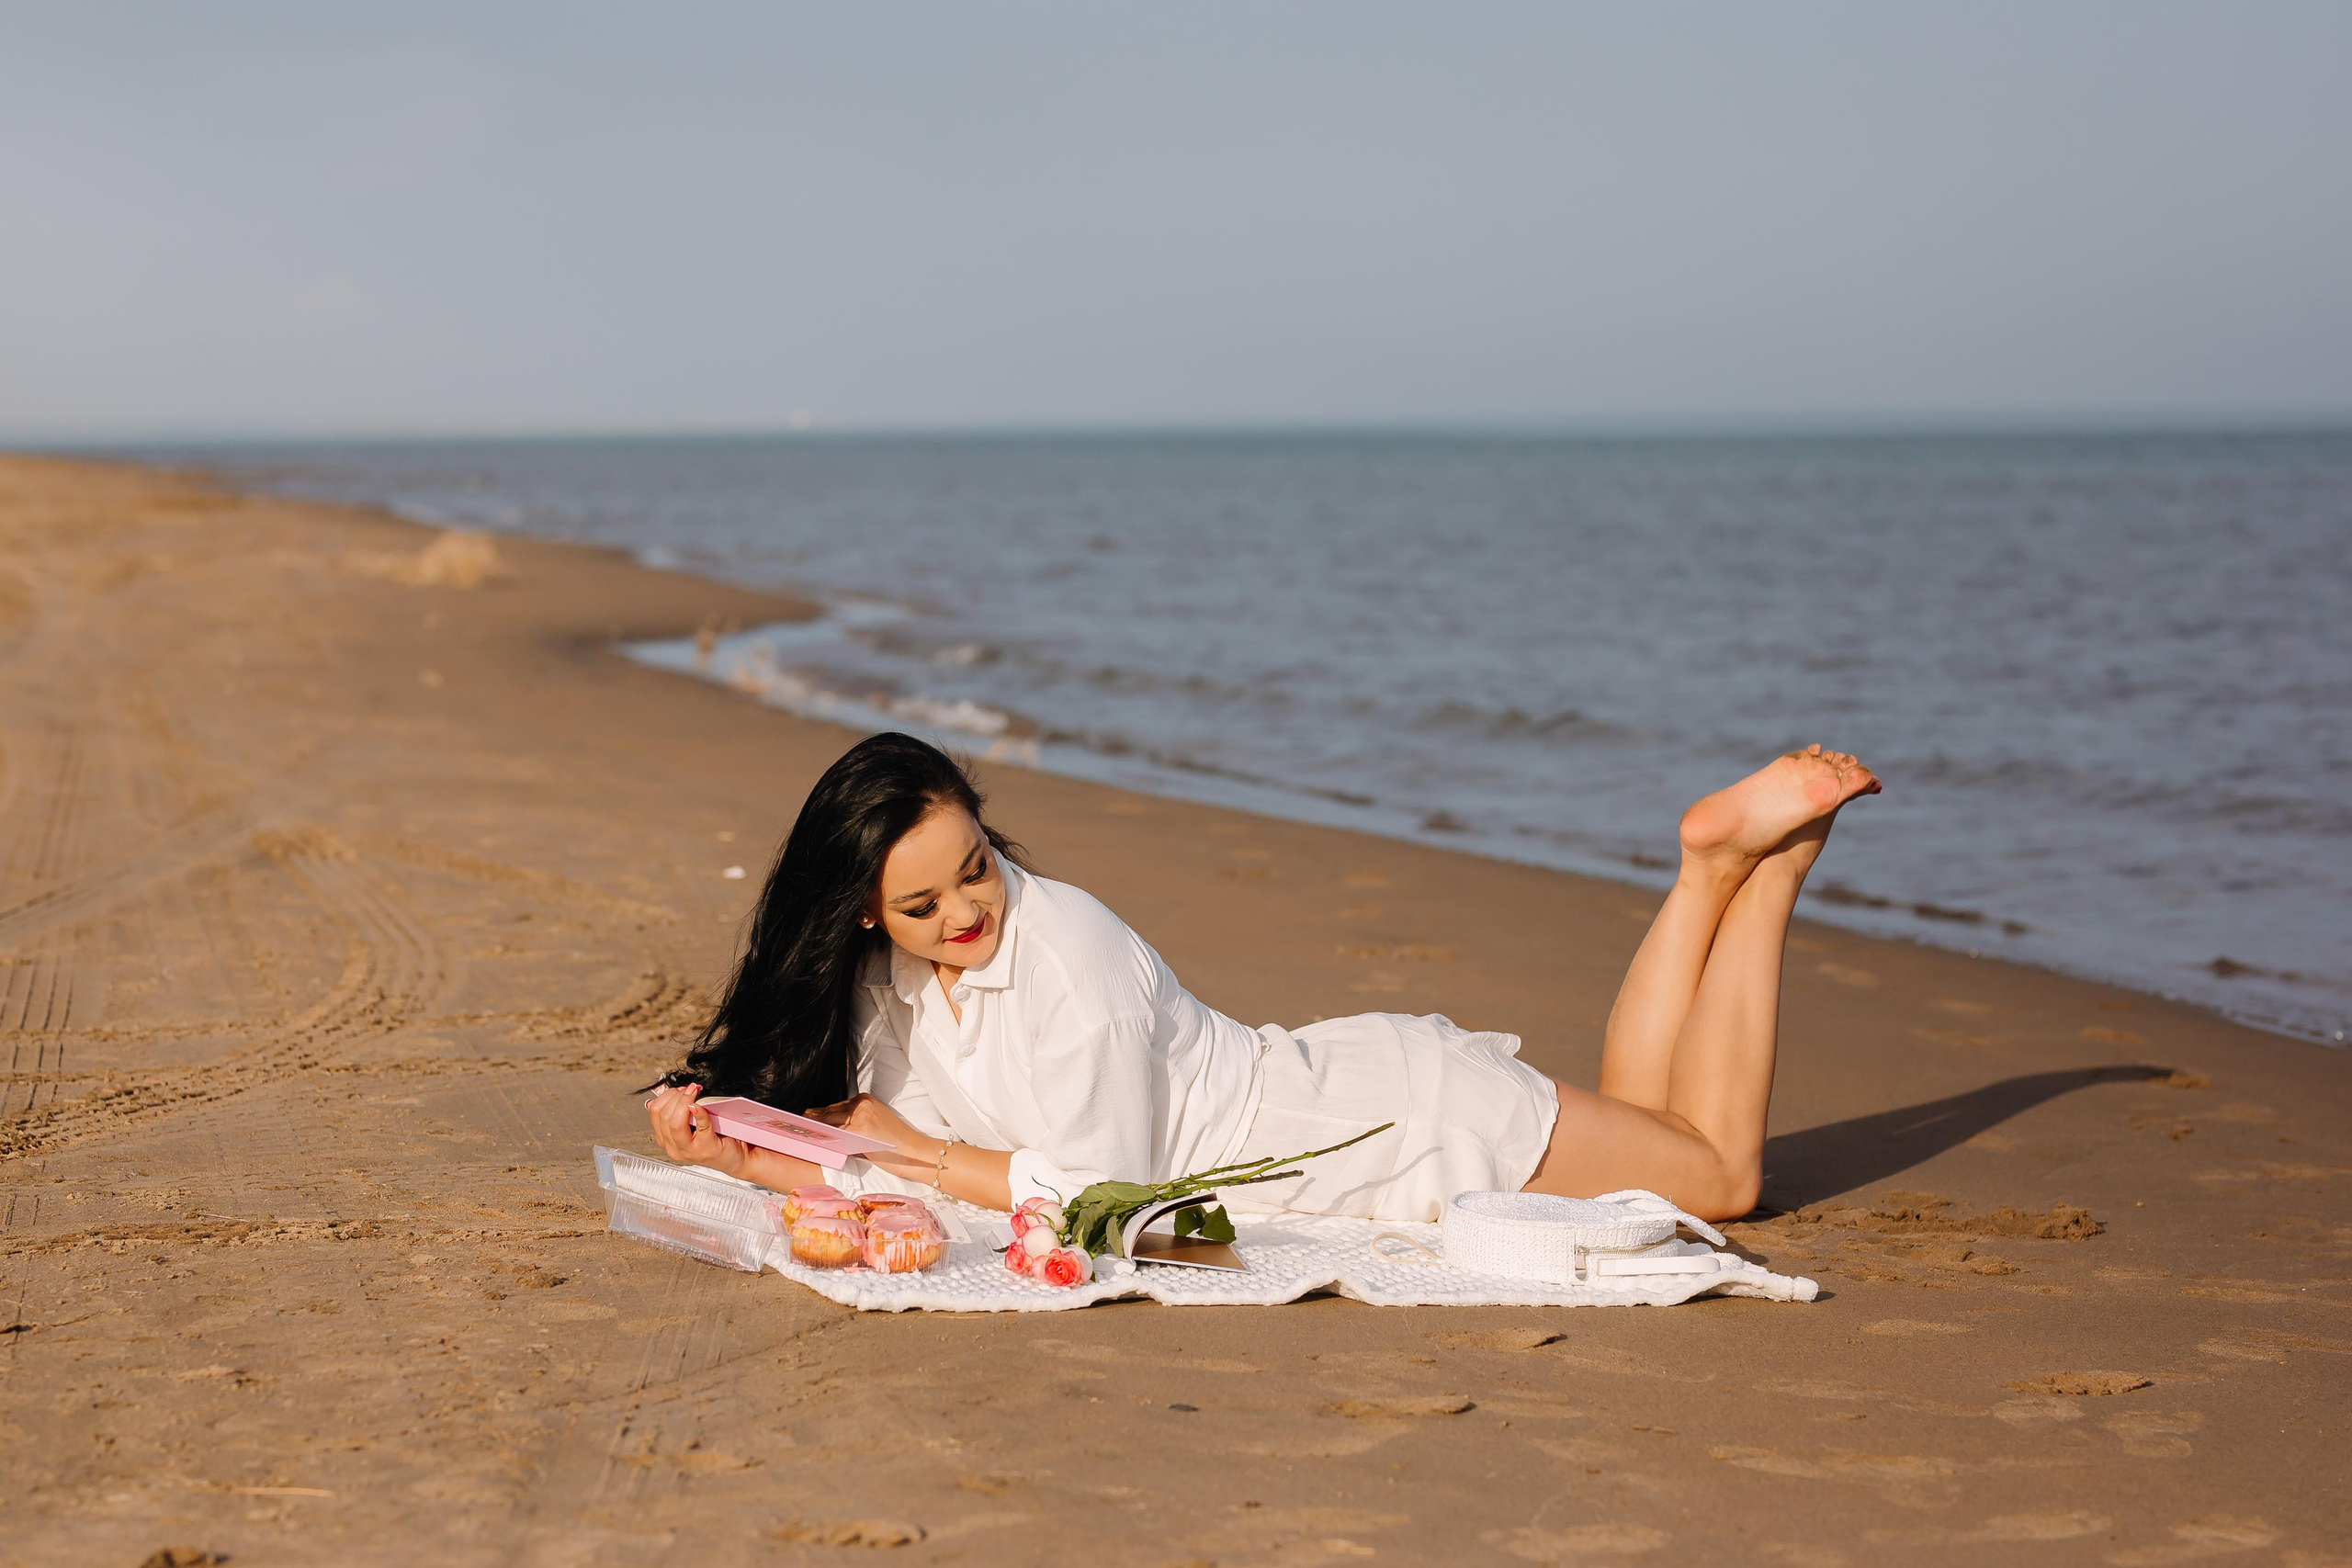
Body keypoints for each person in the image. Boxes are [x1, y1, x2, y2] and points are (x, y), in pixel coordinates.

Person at [645, 731, 1878, 1223]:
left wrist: (906, 1152)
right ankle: (1708, 872)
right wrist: (731, 1145)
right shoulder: (882, 985)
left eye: (976, 866)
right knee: (1651, 1137)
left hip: (1380, 1131)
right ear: (859, 912)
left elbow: (1111, 1202)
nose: (969, 910)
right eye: (922, 904)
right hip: (1334, 1104)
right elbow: (849, 1126)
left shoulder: (1064, 951)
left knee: (1715, 1177)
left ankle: (1762, 878)